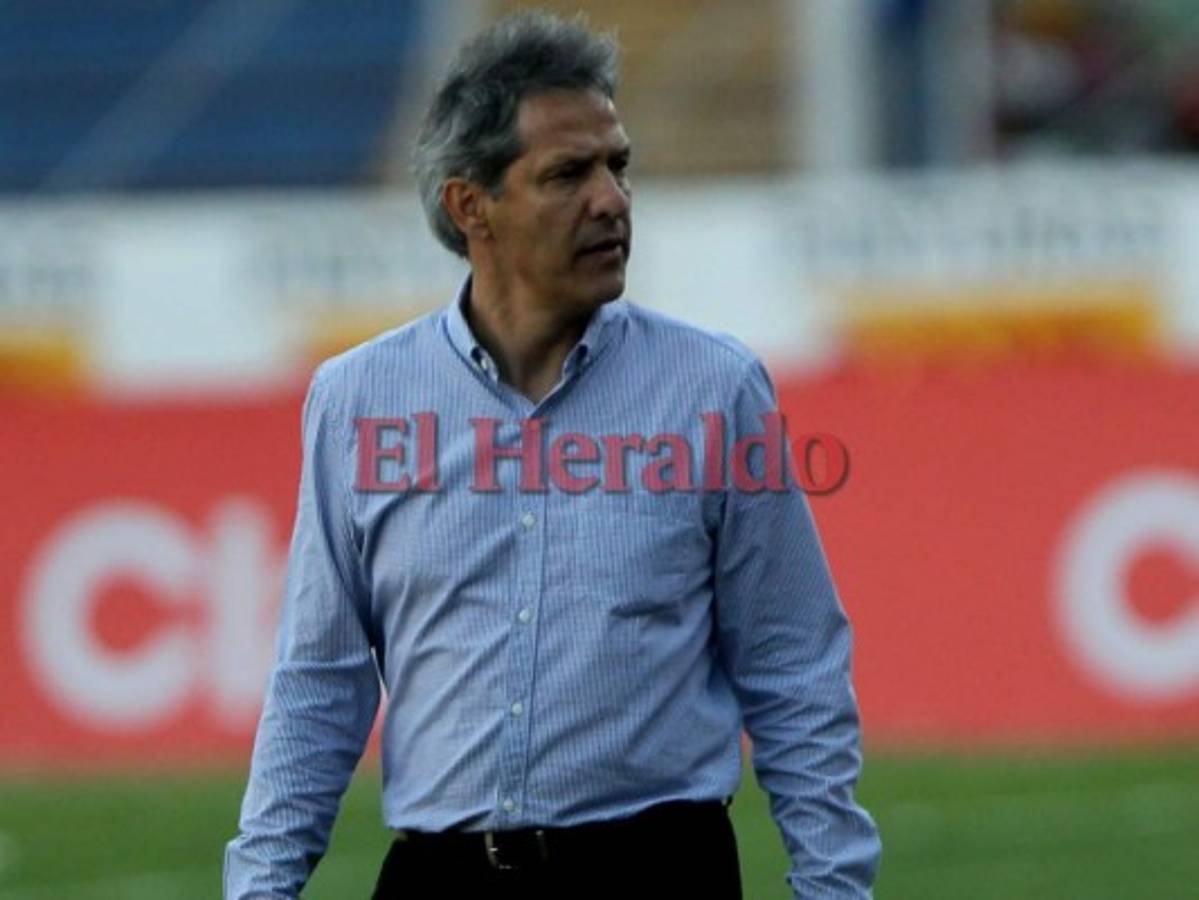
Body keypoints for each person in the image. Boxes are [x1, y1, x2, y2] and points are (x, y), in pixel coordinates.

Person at [224, 11, 880, 899]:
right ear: (470, 206)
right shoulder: (357, 400)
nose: (610, 200)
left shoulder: (714, 389)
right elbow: (318, 680)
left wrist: (833, 888)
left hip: (656, 871)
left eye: (618, 166)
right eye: (568, 174)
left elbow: (791, 661)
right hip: (440, 876)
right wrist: (261, 889)